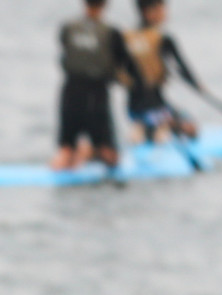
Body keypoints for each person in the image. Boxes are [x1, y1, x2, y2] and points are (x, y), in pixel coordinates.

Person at [52, 0, 127, 171]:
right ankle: (88, 152)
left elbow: (64, 53)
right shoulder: (112, 32)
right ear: (105, 5)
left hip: (70, 91)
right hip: (97, 94)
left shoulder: (68, 28)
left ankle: (76, 153)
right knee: (111, 157)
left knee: (65, 149)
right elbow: (122, 64)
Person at [121, 0, 201, 145]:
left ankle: (143, 128)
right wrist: (198, 86)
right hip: (157, 105)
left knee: (162, 120)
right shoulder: (163, 39)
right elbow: (183, 69)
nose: (165, 13)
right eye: (162, 9)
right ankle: (154, 131)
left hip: (132, 109)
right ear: (149, 12)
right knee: (191, 128)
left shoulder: (126, 38)